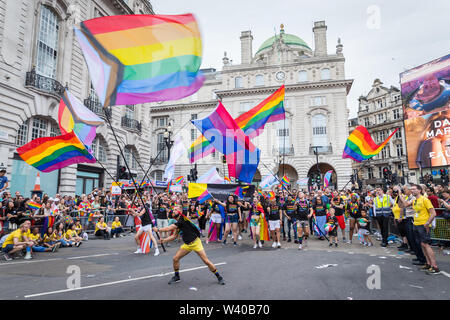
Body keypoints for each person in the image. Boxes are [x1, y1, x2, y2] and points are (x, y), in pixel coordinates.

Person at [153, 206, 225, 285]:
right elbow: (174, 236)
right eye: (173, 210)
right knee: (175, 259)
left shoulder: (182, 220)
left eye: (176, 210)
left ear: (180, 211)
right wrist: (164, 240)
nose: (173, 211)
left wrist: (159, 229)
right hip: (187, 245)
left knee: (206, 261)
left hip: (195, 243)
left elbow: (169, 228)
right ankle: (177, 276)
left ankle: (219, 276)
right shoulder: (179, 222)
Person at [398, 184, 440, 274]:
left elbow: (433, 213)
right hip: (416, 224)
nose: (412, 191)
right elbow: (405, 204)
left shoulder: (425, 200)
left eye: (414, 189)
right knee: (422, 244)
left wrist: (428, 223)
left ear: (419, 190)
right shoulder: (415, 200)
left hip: (423, 225)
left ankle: (434, 266)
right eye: (411, 189)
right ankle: (428, 263)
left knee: (426, 244)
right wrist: (400, 195)